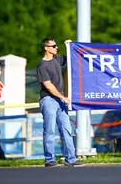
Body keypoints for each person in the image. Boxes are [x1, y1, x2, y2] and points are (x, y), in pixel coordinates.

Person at [36, 38, 86, 167]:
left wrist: (69, 46)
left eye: (56, 46)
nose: (56, 48)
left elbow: (71, 58)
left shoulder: (57, 59)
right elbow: (48, 85)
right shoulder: (42, 65)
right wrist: (62, 97)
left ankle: (71, 159)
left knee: (66, 129)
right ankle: (49, 159)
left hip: (60, 100)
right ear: (46, 48)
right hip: (48, 100)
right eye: (53, 46)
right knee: (50, 130)